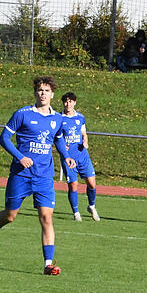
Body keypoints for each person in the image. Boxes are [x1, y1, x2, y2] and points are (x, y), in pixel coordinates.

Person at [0, 75, 76, 276]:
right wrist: (20, 157)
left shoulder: (58, 119)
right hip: (21, 175)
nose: (43, 93)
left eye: (47, 90)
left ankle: (48, 264)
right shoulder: (23, 114)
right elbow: (4, 138)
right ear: (35, 93)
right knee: (10, 215)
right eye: (40, 90)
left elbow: (58, 140)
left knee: (46, 217)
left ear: (52, 94)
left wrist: (66, 156)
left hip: (44, 176)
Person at [60, 92, 100, 222]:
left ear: (75, 102)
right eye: (66, 101)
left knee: (92, 183)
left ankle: (91, 206)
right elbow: (56, 137)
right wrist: (62, 146)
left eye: (70, 101)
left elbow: (84, 133)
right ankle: (76, 213)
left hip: (82, 155)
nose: (68, 104)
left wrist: (85, 141)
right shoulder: (59, 118)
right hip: (68, 158)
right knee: (73, 185)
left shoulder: (80, 118)